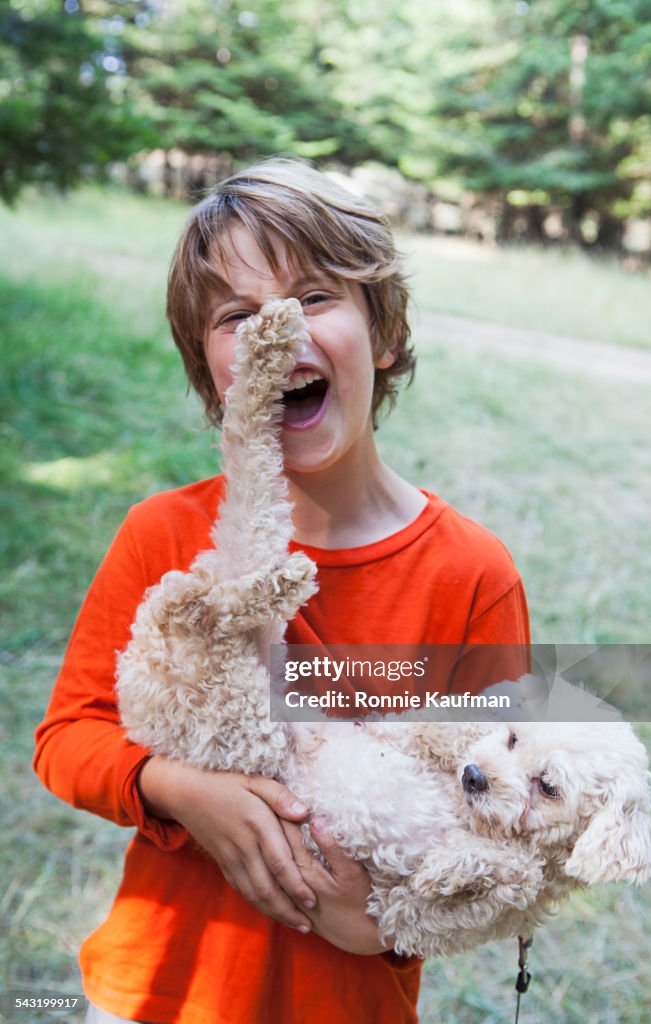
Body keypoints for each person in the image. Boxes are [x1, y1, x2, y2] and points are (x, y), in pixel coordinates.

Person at [34, 159, 531, 1024]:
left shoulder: (472, 576)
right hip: (155, 992)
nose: (276, 331)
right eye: (236, 315)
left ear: (383, 332)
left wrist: (380, 928)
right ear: (211, 371)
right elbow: (67, 737)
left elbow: (505, 829)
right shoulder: (161, 535)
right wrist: (178, 790)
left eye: (312, 296)